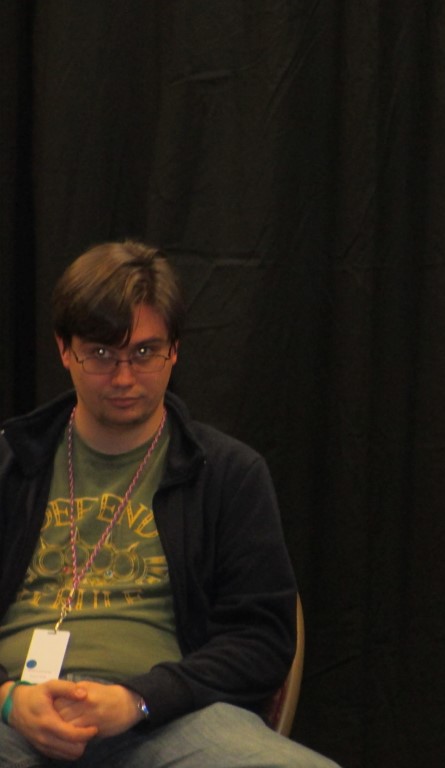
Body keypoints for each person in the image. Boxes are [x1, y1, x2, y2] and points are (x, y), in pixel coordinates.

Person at [0, 241, 339, 767]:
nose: (124, 377)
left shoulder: (228, 473)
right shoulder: (10, 465)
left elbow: (262, 640)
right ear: (64, 350)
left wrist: (138, 699)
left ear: (174, 351)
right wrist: (8, 700)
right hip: (13, 719)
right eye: (101, 354)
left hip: (167, 720)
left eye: (144, 353)